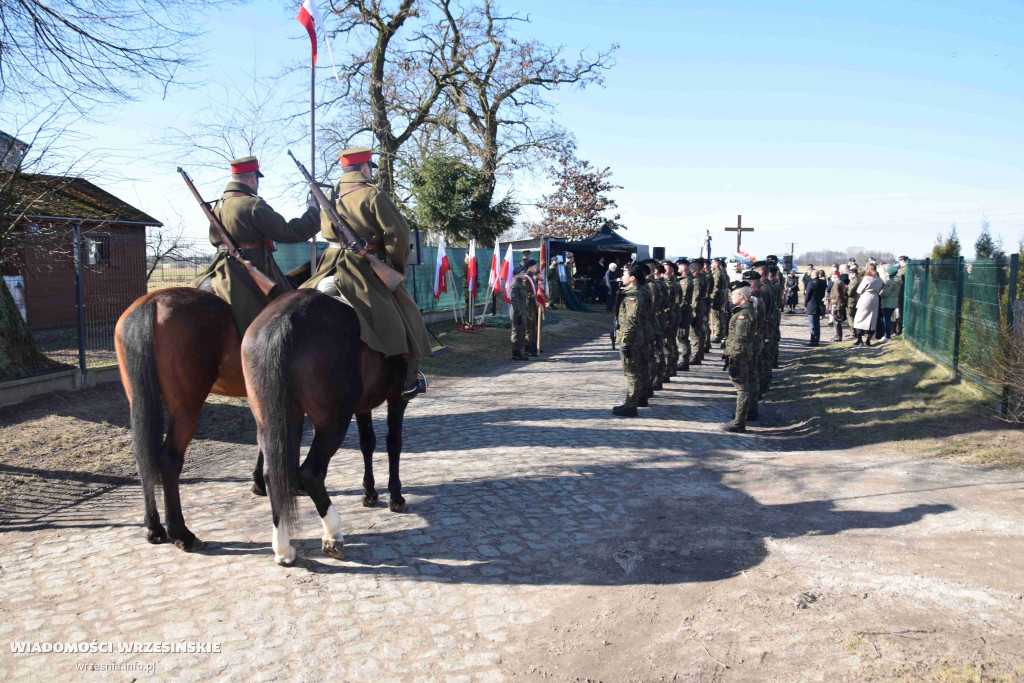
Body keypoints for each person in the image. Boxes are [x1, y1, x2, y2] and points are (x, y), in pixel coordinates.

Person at [301, 146, 432, 398]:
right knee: (409, 314)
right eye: (369, 168)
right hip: (362, 269)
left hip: (328, 266)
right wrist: (395, 267)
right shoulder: (372, 194)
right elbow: (399, 236)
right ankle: (409, 381)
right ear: (364, 167)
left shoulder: (328, 197)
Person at [193, 155, 321, 336]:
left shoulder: (218, 205)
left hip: (220, 267)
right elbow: (289, 232)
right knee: (288, 311)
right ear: (253, 178)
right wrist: (313, 212)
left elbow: (214, 238)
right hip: (248, 270)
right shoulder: (252, 204)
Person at [721, 280, 759, 433]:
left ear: (742, 296)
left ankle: (739, 421)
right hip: (742, 352)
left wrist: (732, 355)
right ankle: (744, 415)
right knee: (745, 385)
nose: (731, 297)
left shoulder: (744, 314)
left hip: (740, 354)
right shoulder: (743, 311)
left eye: (734, 294)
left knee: (742, 387)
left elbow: (740, 339)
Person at [613, 263, 648, 417]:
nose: (622, 277)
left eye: (625, 274)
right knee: (636, 370)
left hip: (632, 339)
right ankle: (635, 400)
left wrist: (625, 341)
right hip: (636, 337)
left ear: (633, 278)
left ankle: (631, 405)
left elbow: (631, 320)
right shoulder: (635, 292)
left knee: (631, 372)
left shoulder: (634, 296)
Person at [852, 264, 884, 346]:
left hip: (866, 297)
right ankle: (868, 340)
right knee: (872, 320)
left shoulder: (867, 278)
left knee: (859, 319)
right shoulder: (879, 279)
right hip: (875, 298)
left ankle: (860, 340)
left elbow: (859, 290)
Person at [509, 266, 531, 360]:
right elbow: (515, 302)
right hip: (517, 312)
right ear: (517, 274)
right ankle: (515, 353)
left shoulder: (521, 285)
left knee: (522, 332)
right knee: (517, 332)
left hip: (522, 312)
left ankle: (519, 352)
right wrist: (518, 314)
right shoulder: (515, 286)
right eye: (522, 273)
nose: (524, 274)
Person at [688, 258, 707, 365]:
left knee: (694, 332)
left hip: (697, 308)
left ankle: (696, 355)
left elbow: (695, 296)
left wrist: (693, 311)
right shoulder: (703, 277)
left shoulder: (697, 280)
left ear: (697, 268)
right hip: (701, 306)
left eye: (693, 266)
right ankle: (699, 353)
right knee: (699, 331)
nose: (691, 268)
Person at [675, 258, 693, 372]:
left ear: (684, 267)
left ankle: (685, 361)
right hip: (682, 311)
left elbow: (683, 299)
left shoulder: (685, 281)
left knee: (682, 337)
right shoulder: (681, 279)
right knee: (681, 337)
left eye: (679, 266)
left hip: (684, 312)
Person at [710, 257, 730, 348]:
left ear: (716, 264)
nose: (711, 265)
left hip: (718, 297)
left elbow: (716, 286)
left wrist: (712, 297)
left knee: (717, 316)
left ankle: (718, 335)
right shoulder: (721, 273)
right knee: (719, 316)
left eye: (713, 263)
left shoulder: (717, 273)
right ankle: (720, 334)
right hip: (721, 297)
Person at [879, 264, 903, 341]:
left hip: (888, 302)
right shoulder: (898, 281)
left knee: (886, 319)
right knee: (888, 319)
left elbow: (886, 293)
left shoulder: (891, 282)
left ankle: (887, 336)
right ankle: (888, 334)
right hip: (893, 301)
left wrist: (881, 294)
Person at [804, 268, 826, 346]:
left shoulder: (811, 283)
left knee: (812, 324)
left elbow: (807, 295)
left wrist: (805, 304)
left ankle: (813, 340)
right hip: (819, 304)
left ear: (813, 275)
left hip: (811, 305)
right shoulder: (822, 283)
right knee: (817, 324)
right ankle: (817, 339)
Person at [828, 272, 848, 341]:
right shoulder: (842, 282)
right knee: (838, 320)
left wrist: (834, 303)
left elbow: (837, 295)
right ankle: (838, 335)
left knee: (836, 321)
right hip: (841, 303)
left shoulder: (836, 283)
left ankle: (838, 336)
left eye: (832, 277)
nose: (831, 279)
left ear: (835, 277)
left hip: (837, 305)